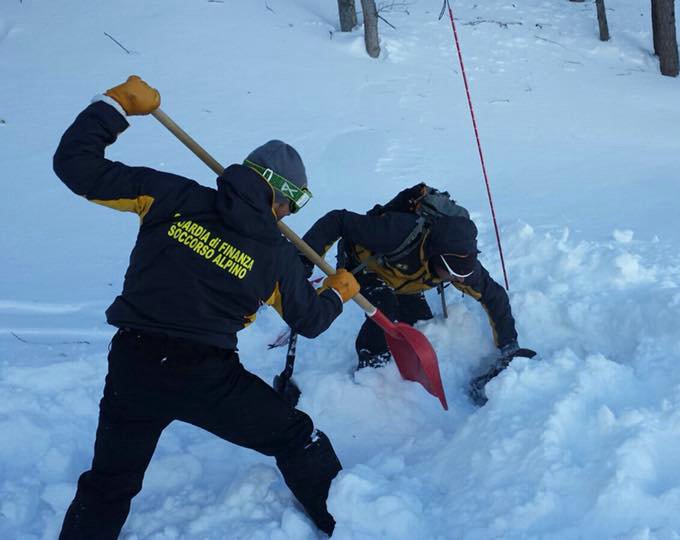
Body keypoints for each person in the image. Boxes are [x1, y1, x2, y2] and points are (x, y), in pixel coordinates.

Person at [53, 76, 360, 539]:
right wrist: (338, 292)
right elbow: (310, 321)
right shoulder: (275, 254)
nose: (287, 218)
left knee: (109, 484)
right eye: (290, 207)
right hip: (205, 376)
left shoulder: (171, 196)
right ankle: (355, 524)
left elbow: (75, 166)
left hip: (133, 365)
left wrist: (113, 106)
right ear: (276, 197)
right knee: (296, 436)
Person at [302, 184, 535, 394]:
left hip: (406, 278)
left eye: (461, 271)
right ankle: (372, 370)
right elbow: (337, 220)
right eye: (451, 270)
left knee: (420, 325)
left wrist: (508, 344)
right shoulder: (396, 232)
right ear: (434, 255)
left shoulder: (462, 262)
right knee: (385, 309)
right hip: (367, 265)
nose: (456, 277)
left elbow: (494, 297)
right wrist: (303, 262)